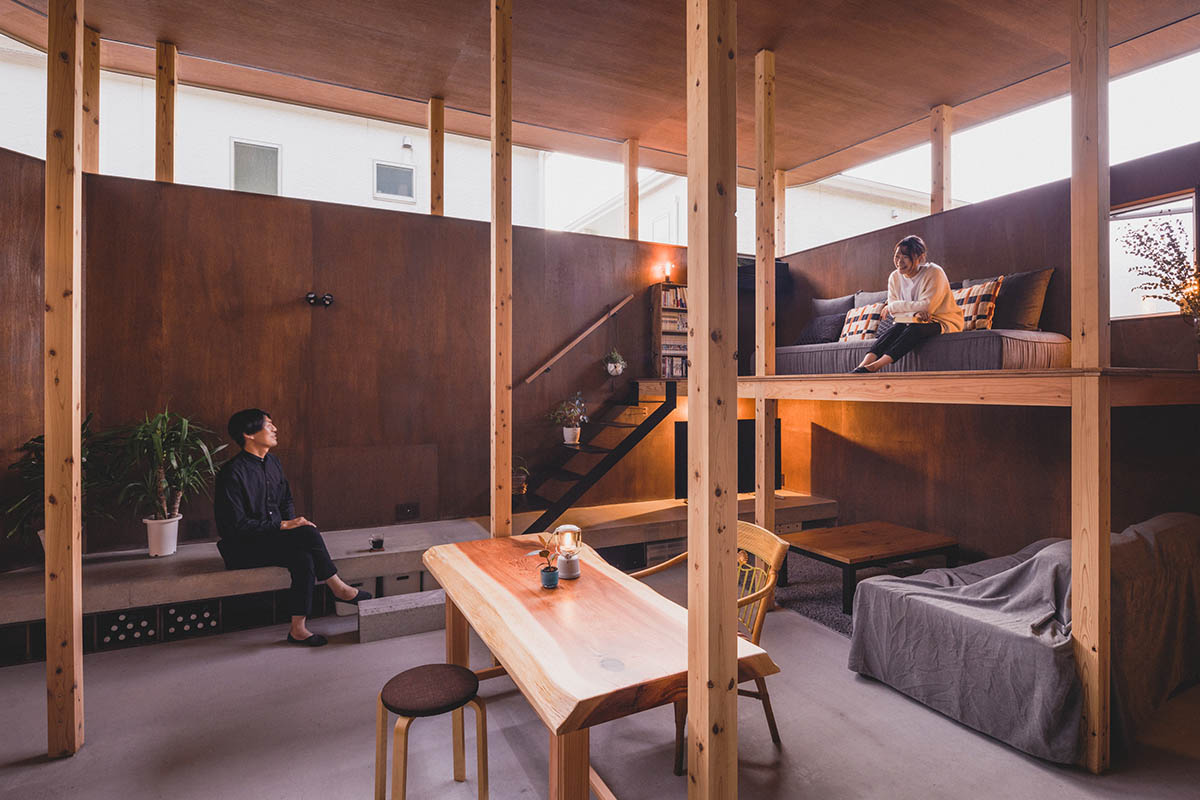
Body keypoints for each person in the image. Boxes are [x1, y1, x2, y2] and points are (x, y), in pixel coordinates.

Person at [214, 408, 371, 647]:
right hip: (241, 547)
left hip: (271, 538)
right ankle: (339, 588)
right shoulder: (231, 473)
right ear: (249, 433)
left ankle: (298, 630)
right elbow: (236, 526)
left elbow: (286, 499)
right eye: (268, 425)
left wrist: (291, 526)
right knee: (307, 533)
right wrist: (285, 525)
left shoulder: (273, 462)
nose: (275, 429)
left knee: (304, 556)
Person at [852, 235, 963, 373]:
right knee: (895, 329)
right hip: (911, 320)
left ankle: (876, 366)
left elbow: (927, 307)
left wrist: (893, 306)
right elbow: (896, 312)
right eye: (897, 256)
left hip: (942, 321)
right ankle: (862, 366)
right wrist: (915, 313)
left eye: (905, 257)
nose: (899, 261)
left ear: (920, 258)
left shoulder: (934, 272)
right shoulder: (894, 277)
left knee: (914, 329)